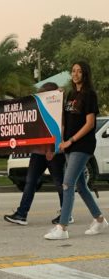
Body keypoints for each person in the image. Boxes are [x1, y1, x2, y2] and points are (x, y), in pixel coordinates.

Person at [44, 61, 108, 240]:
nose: (76, 74)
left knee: (67, 183)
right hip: (69, 146)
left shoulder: (90, 95)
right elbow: (64, 122)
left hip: (82, 145)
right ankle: (100, 219)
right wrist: (60, 143)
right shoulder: (70, 94)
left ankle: (62, 228)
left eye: (79, 71)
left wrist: (71, 140)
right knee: (81, 186)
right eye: (73, 71)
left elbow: (90, 124)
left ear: (85, 74)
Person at [4, 82, 73, 225]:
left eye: (44, 94)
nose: (42, 97)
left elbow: (61, 130)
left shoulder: (60, 111)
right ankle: (21, 214)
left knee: (59, 183)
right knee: (30, 182)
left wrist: (53, 150)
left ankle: (66, 214)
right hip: (39, 151)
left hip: (54, 153)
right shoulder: (39, 109)